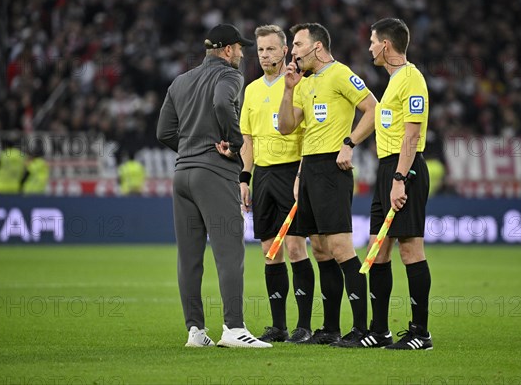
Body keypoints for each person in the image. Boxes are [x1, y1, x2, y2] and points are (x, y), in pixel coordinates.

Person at [156, 23, 271, 349]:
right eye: (239, 48)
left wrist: (191, 148)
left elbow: (164, 131)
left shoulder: (180, 81)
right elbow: (222, 104)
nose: (242, 53)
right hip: (214, 174)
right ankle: (234, 329)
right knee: (229, 252)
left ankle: (195, 331)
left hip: (183, 176)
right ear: (226, 50)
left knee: (189, 258)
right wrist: (234, 144)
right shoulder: (230, 77)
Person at [278, 23, 377, 347]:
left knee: (340, 248)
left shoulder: (340, 74)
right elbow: (287, 128)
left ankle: (363, 330)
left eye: (297, 44)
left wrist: (349, 143)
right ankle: (331, 328)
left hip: (333, 169)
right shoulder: (304, 84)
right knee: (319, 249)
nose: (293, 51)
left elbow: (372, 109)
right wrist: (289, 89)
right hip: (309, 171)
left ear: (317, 47)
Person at [239, 25, 317, 344]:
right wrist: (244, 178)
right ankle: (278, 326)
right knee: (270, 252)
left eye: (271, 49)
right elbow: (248, 139)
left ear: (285, 51)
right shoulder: (253, 90)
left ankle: (304, 325)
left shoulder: (299, 84)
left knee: (296, 246)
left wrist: (301, 173)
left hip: (290, 172)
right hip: (264, 176)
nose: (264, 55)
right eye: (260, 50)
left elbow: (310, 134)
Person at [366, 18, 433, 350]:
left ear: (386, 46)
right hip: (386, 168)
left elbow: (412, 134)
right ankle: (379, 330)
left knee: (410, 249)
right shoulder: (393, 81)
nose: (369, 47)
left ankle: (421, 333)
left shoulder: (412, 79)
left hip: (404, 170)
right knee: (377, 251)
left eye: (372, 41)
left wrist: (399, 179)